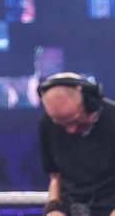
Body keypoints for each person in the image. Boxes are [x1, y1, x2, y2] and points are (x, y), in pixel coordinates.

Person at [37, 73, 115, 216]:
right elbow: (55, 175)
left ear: (89, 102)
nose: (71, 130)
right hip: (70, 210)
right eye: (62, 123)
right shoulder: (47, 124)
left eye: (74, 120)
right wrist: (53, 208)